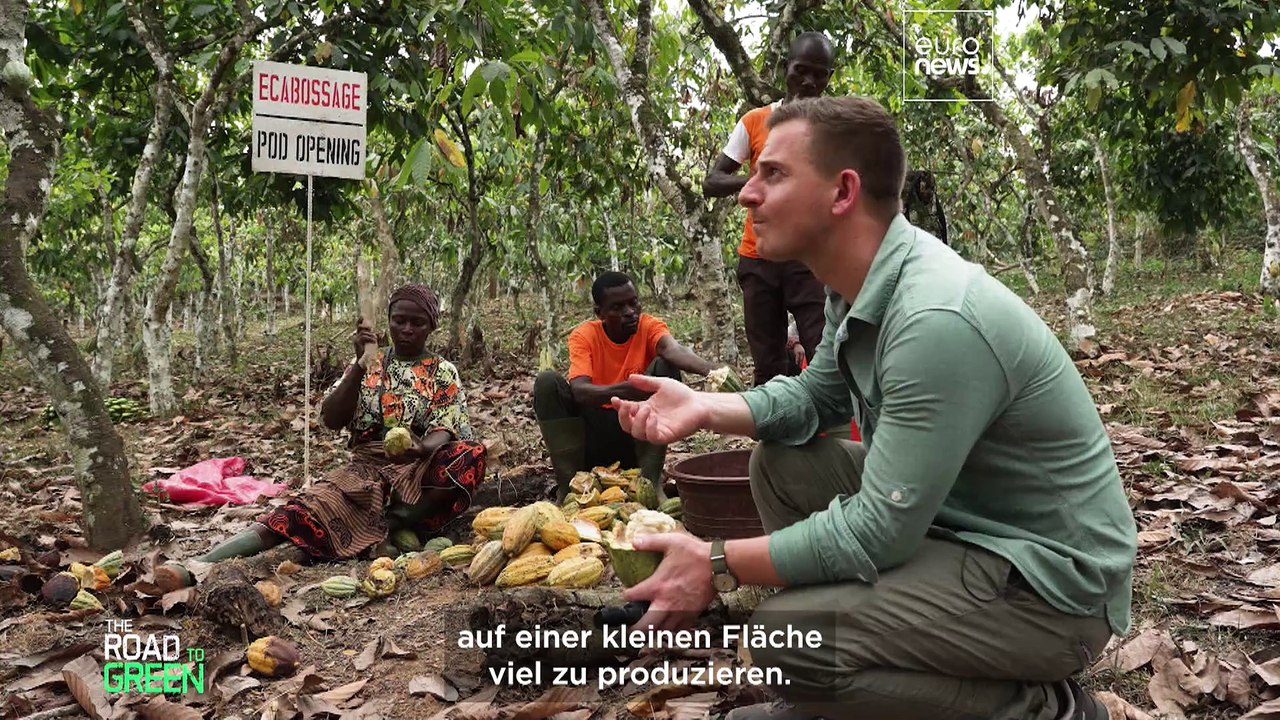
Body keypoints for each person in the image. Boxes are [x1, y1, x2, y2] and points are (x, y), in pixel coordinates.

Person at [608, 97, 1137, 720]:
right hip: (958, 526)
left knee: (782, 636)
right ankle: (847, 673)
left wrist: (718, 561)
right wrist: (702, 405)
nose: (747, 194)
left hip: (1051, 588)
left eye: (772, 173)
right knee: (780, 465)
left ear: (842, 193)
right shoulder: (858, 286)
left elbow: (879, 529)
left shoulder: (932, 319)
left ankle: (1041, 709)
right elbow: (812, 399)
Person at [157, 283, 487, 588]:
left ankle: (387, 524)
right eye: (399, 321)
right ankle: (196, 565)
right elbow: (332, 418)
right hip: (366, 468)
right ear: (388, 321)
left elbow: (445, 428)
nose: (407, 329)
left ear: (432, 326)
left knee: (469, 456)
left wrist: (418, 449)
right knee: (297, 513)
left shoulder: (442, 371)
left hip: (418, 467)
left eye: (417, 323)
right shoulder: (371, 363)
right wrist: (360, 365)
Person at [703, 32, 835, 387]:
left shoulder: (834, 127)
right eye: (801, 70)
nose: (809, 81)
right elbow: (712, 181)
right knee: (767, 363)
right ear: (785, 69)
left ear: (829, 78)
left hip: (809, 257)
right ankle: (775, 437)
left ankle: (832, 437)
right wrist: (762, 179)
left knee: (825, 352)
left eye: (819, 74)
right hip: (758, 256)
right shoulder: (755, 122)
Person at [533, 271, 719, 502]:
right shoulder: (585, 335)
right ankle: (568, 489)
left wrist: (714, 371)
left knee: (666, 367)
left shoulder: (649, 326)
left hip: (637, 436)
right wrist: (635, 388)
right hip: (591, 438)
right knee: (547, 383)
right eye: (617, 307)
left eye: (633, 303)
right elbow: (580, 391)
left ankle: (651, 482)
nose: (630, 312)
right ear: (599, 313)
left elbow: (672, 351)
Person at [901, 169, 949, 244]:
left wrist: (945, 243)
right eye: (925, 193)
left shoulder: (931, 194)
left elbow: (941, 216)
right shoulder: (909, 190)